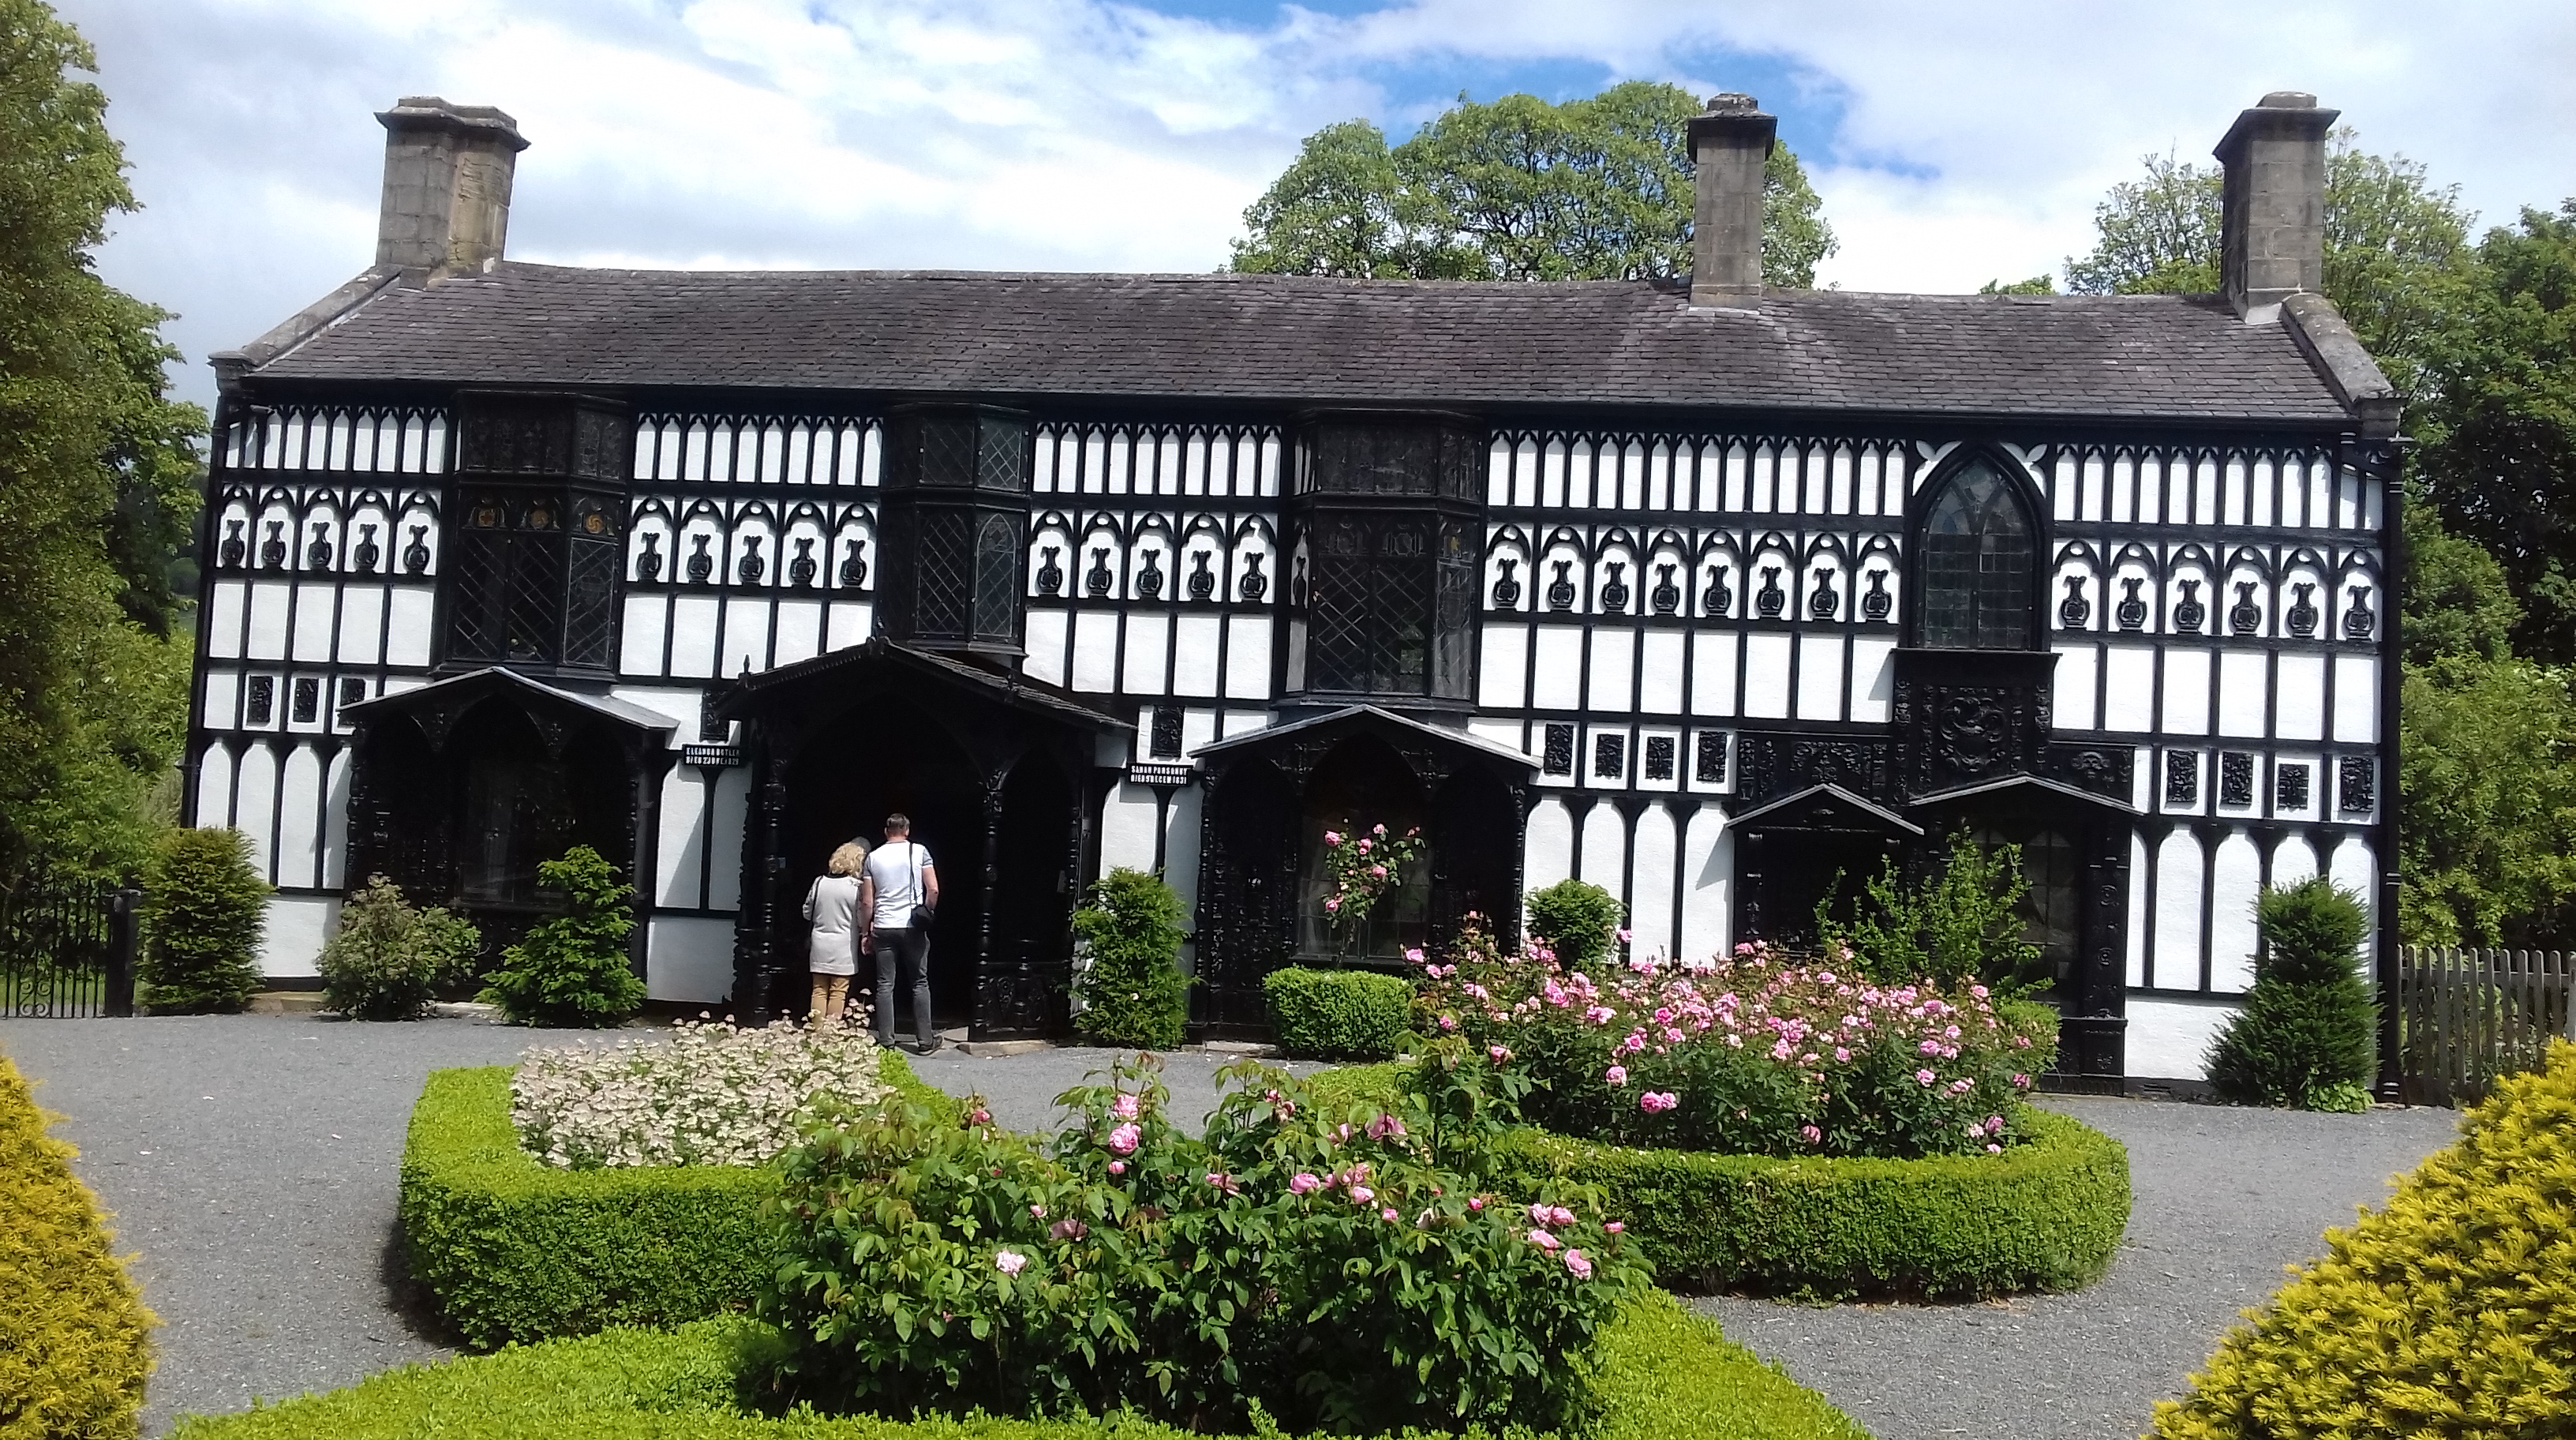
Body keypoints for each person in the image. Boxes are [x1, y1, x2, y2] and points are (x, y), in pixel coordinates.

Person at [860, 812, 940, 1054]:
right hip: (911, 926)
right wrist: (927, 911)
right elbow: (933, 889)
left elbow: (867, 902)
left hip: (884, 926)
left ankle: (886, 1040)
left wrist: (865, 932)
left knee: (885, 984)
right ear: (907, 830)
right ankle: (925, 1041)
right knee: (919, 982)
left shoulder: (873, 857)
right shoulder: (920, 852)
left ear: (886, 831)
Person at [802, 841, 866, 1025]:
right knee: (839, 991)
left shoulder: (819, 882)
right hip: (844, 945)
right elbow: (861, 919)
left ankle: (816, 1029)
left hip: (819, 943)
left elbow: (806, 912)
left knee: (818, 990)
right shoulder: (856, 887)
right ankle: (832, 1032)